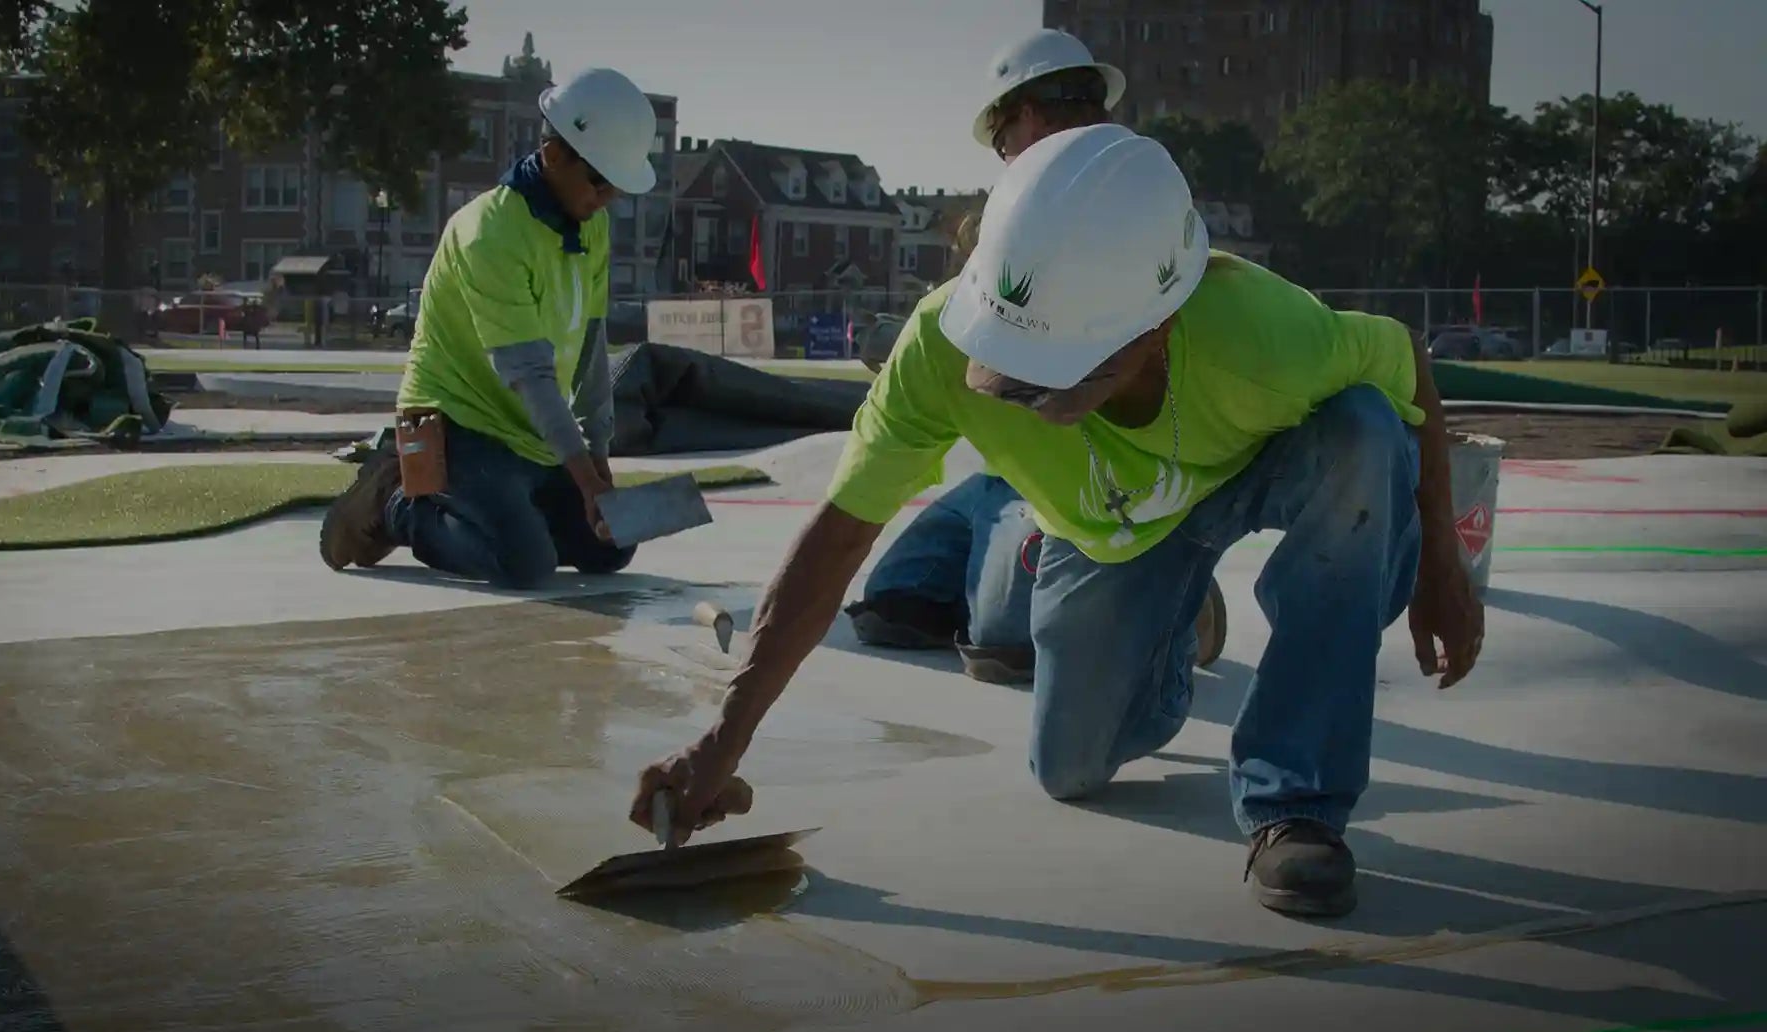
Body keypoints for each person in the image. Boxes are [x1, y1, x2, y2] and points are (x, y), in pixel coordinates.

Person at [631, 125, 1485, 918]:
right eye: (1016, 374)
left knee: (1366, 434)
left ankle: (1295, 802)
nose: (1038, 404)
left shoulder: (1264, 333)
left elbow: (1406, 364)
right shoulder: (936, 351)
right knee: (1069, 769)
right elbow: (838, 537)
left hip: (1257, 466)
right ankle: (1176, 628)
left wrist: (1441, 570)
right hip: (1118, 537)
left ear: (1162, 323)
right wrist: (722, 738)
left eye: (1065, 375)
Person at [845, 28, 1225, 684]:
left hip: (1079, 479)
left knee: (1004, 648)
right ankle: (997, 565)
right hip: (1001, 476)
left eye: (1001, 142)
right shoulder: (1018, 213)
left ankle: (1162, 590)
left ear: (1026, 117)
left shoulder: (1127, 207)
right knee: (892, 611)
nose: (1003, 159)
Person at [318, 67, 659, 588]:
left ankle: (507, 519)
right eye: (598, 180)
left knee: (611, 546)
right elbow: (529, 373)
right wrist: (584, 482)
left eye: (616, 187)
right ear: (553, 156)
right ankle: (395, 500)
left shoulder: (594, 227)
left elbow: (591, 346)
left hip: (524, 431)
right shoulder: (490, 233)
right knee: (525, 565)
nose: (606, 197)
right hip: (458, 424)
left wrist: (598, 456)